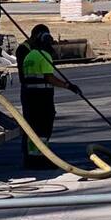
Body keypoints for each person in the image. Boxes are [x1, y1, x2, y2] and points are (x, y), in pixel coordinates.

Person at [17, 24, 80, 168]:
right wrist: (68, 86)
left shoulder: (29, 54)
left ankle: (31, 157)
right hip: (41, 96)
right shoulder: (40, 55)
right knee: (43, 127)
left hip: (29, 94)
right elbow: (49, 78)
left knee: (31, 126)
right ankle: (39, 157)